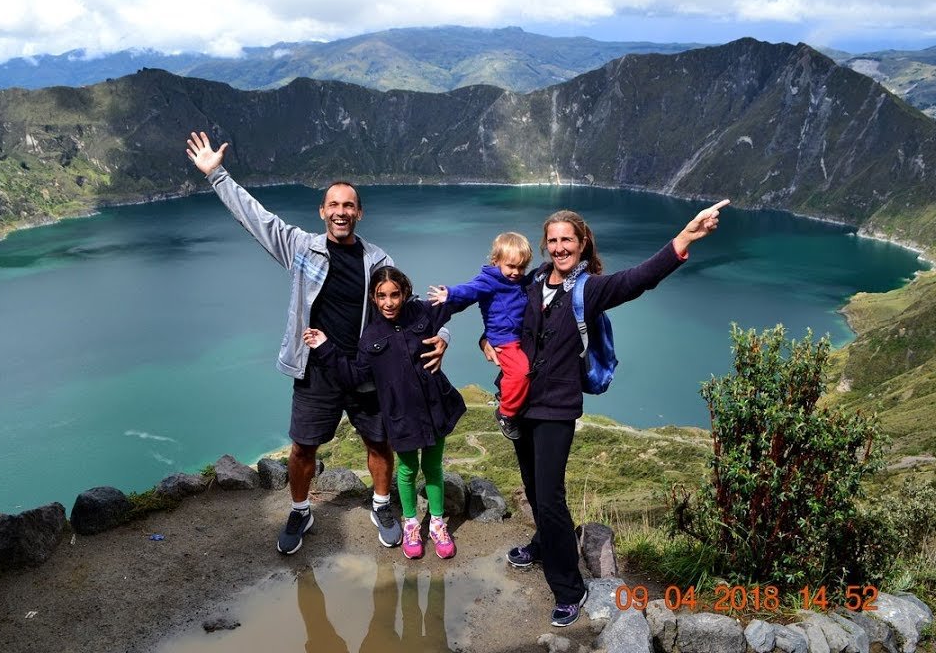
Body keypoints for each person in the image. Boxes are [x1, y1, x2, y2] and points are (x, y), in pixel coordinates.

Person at [185, 131, 450, 555]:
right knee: (303, 447)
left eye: (349, 205)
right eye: (334, 205)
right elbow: (256, 218)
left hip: (366, 371)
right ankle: (301, 509)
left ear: (359, 212)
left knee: (379, 443)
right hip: (315, 370)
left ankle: (381, 505)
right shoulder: (300, 248)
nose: (341, 212)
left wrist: (445, 335)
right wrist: (216, 174)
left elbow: (409, 309)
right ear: (322, 211)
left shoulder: (379, 260)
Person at [484, 200, 729, 627]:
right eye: (553, 240)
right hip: (518, 400)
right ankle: (542, 542)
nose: (560, 247)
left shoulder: (589, 289)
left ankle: (568, 588)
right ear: (545, 244)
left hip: (556, 407)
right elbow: (499, 318)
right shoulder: (531, 280)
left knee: (550, 495)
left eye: (568, 240)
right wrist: (483, 344)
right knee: (532, 483)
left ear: (582, 244)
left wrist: (686, 237)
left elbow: (640, 279)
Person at [302, 266, 466, 559]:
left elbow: (458, 306)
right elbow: (354, 376)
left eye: (394, 295)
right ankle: (411, 524)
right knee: (406, 470)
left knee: (433, 467)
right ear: (374, 299)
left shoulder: (422, 313)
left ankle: (438, 524)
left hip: (432, 407)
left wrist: (452, 296)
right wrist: (324, 346)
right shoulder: (370, 336)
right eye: (381, 296)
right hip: (401, 415)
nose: (389, 302)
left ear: (404, 294)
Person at [426, 231, 532, 441]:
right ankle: (506, 413)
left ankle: (504, 390)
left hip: (518, 335)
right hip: (504, 338)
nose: (516, 272)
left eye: (521, 267)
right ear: (496, 261)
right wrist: (449, 293)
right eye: (511, 266)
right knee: (521, 372)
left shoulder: (518, 281)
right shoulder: (490, 280)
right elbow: (470, 289)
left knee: (519, 370)